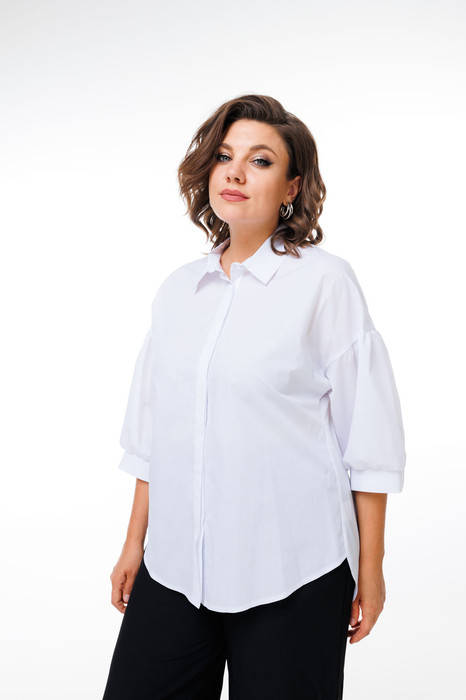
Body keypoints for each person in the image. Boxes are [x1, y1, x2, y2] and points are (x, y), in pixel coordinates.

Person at [102, 94, 406, 700]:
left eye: (260, 160)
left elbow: (368, 444)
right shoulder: (178, 292)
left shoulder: (325, 283)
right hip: (176, 568)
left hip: (292, 570)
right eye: (224, 157)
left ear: (292, 187)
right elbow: (154, 436)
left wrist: (370, 568)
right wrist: (135, 543)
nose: (236, 172)